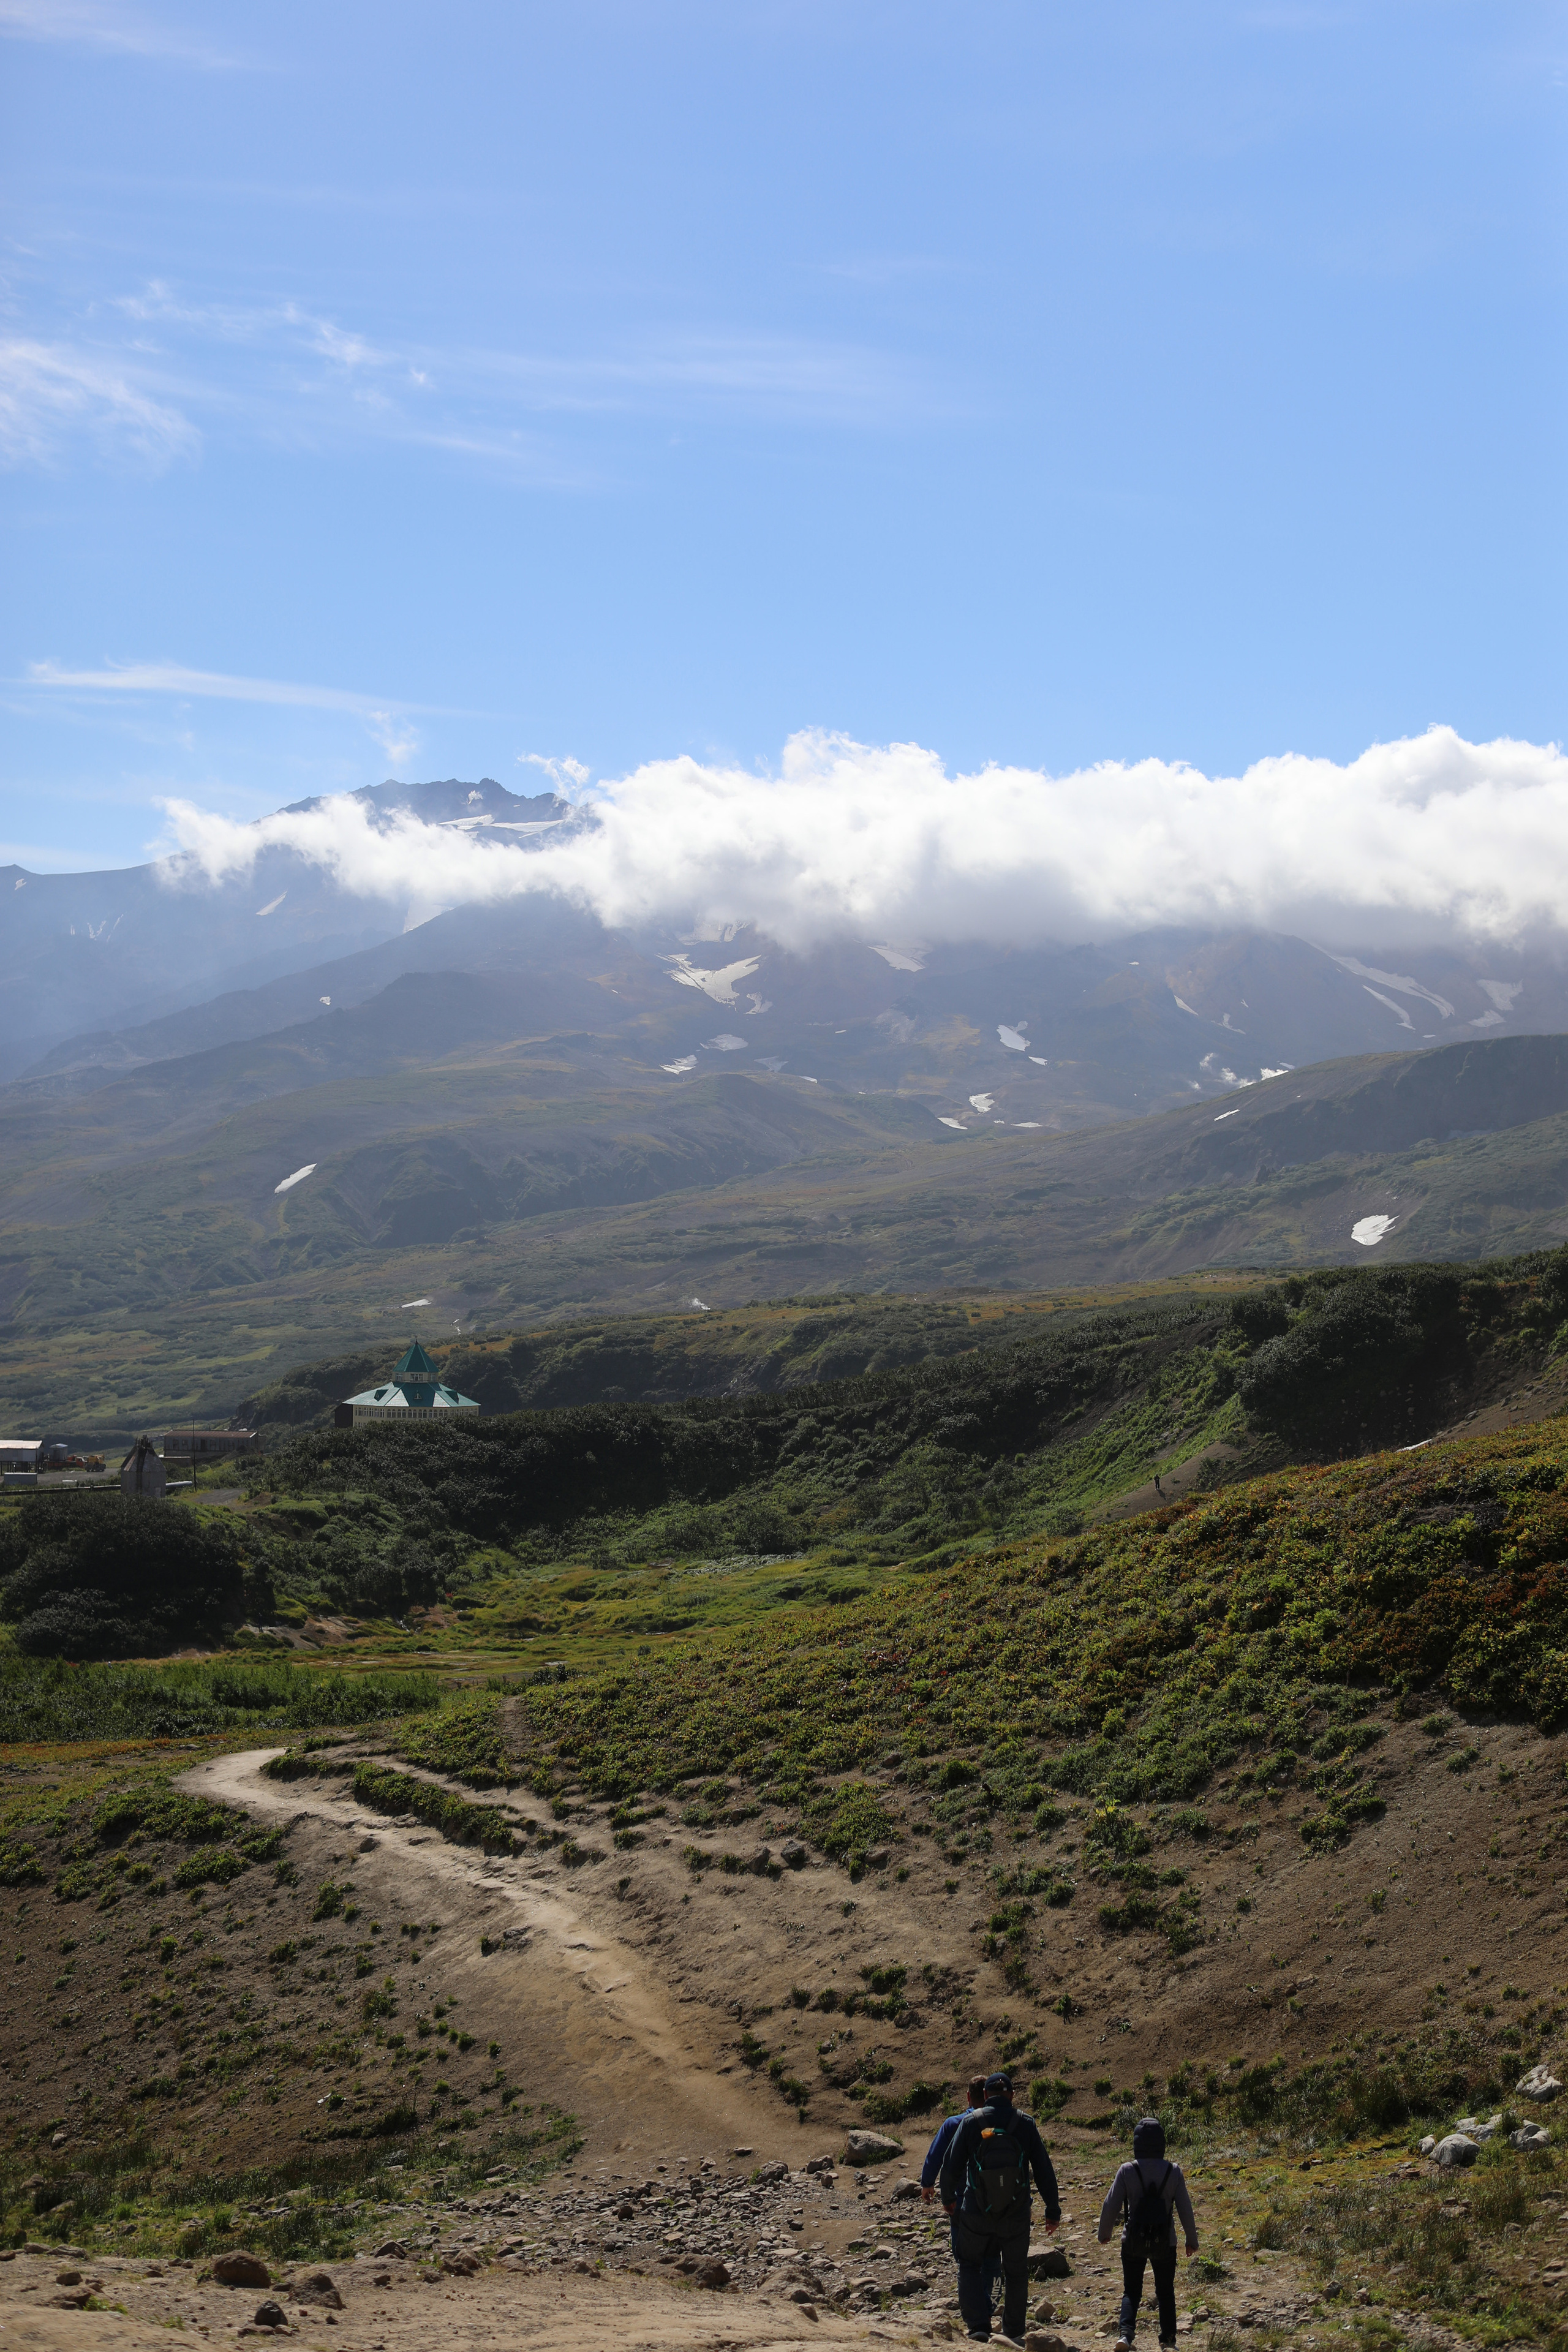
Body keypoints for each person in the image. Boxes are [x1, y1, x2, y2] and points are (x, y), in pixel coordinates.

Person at [939, 2070, 1060, 2344]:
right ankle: (1014, 2330)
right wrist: (1052, 2211)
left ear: (985, 2095)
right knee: (1016, 2271)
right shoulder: (1025, 2124)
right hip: (1016, 2213)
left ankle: (978, 2326)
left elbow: (951, 2164)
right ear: (1012, 2095)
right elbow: (1044, 2170)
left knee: (970, 2264)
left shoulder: (971, 2122)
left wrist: (948, 2198)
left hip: (976, 2211)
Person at [1096, 2115, 1199, 2352]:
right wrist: (1191, 2240)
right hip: (1166, 2242)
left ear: (1137, 2143)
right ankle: (1168, 2342)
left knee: (1131, 2291)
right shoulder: (1174, 2171)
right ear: (1162, 2143)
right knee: (1166, 2292)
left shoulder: (1127, 2170)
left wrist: (1104, 2233)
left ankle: (1125, 2336)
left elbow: (1110, 2205)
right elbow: (1185, 2208)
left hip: (1133, 2241)